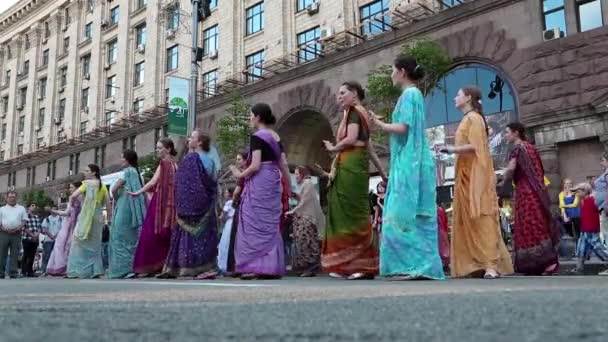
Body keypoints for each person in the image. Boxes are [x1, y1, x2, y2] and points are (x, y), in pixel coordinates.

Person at [370, 56, 444, 280]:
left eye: (393, 70)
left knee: (401, 213)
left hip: (408, 162)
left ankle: (414, 266)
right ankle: (417, 265)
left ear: (402, 72)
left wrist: (380, 124)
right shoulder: (413, 94)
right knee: (414, 213)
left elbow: (403, 128)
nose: (391, 74)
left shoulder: (410, 94)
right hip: (412, 159)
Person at [437, 86, 513, 279]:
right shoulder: (467, 119)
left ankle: (490, 265)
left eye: (458, 94)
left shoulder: (474, 118)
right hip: (465, 174)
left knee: (481, 217)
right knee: (470, 219)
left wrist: (451, 149)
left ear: (468, 97)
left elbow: (476, 148)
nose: (455, 97)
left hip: (476, 174)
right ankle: (475, 262)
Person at [321, 81, 385, 280]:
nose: (339, 97)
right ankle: (347, 265)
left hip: (351, 165)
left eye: (343, 93)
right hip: (352, 164)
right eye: (338, 93)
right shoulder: (357, 112)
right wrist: (383, 172)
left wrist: (333, 148)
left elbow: (351, 139)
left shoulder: (355, 112)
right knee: (349, 212)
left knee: (351, 213)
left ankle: (361, 265)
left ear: (354, 93)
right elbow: (369, 147)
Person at [229, 103, 291, 280]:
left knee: (252, 222)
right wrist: (291, 186)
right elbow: (283, 163)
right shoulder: (276, 136)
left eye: (250, 115)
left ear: (257, 117)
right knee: (269, 224)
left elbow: (255, 165)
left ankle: (256, 266)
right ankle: (270, 266)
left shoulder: (257, 136)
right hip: (273, 181)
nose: (250, 119)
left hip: (259, 181)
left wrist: (239, 173)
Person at [500, 122, 560, 275]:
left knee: (528, 225)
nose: (505, 135)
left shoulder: (518, 149)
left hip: (525, 191)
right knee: (538, 224)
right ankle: (542, 264)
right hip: (537, 191)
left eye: (507, 132)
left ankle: (542, 263)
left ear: (516, 133)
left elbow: (511, 168)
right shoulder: (531, 147)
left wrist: (501, 178)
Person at [160, 130, 220, 279]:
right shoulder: (209, 160)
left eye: (192, 137)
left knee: (190, 238)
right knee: (202, 238)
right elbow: (212, 181)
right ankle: (203, 268)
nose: (189, 139)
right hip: (204, 204)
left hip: (189, 205)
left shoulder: (191, 158)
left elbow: (185, 183)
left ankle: (181, 269)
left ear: (199, 142)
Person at [129, 138, 178, 276]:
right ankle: (163, 265)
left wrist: (138, 192)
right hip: (171, 204)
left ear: (168, 149)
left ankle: (149, 266)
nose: (157, 150)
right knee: (166, 234)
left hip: (160, 202)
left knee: (150, 233)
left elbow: (153, 182)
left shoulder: (164, 163)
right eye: (157, 148)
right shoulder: (175, 164)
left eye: (160, 148)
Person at [66, 164, 112, 279]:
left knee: (79, 242)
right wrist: (110, 218)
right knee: (95, 245)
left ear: (94, 173)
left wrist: (71, 205)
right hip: (98, 217)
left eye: (87, 171)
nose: (85, 173)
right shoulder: (102, 186)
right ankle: (95, 270)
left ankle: (77, 270)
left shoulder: (86, 184)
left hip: (86, 216)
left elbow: (73, 196)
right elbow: (108, 203)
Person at [108, 150, 146, 279]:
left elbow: (113, 189)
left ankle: (121, 269)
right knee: (132, 238)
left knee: (119, 236)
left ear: (127, 160)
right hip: (135, 209)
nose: (121, 161)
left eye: (122, 158)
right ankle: (133, 267)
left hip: (124, 206)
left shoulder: (127, 172)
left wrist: (116, 198)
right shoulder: (139, 174)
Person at [286, 166, 326, 277]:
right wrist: (294, 195)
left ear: (302, 174)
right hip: (305, 217)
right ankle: (305, 267)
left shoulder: (307, 183)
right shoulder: (306, 184)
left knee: (305, 242)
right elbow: (303, 198)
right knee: (304, 242)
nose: (296, 176)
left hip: (307, 218)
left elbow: (305, 201)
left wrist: (293, 211)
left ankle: (310, 267)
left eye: (297, 174)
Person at [570, 183, 608, 275]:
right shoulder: (583, 201)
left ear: (584, 191)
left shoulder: (592, 200)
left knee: (598, 248)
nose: (577, 194)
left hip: (592, 229)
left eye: (578, 191)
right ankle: (579, 268)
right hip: (585, 229)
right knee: (581, 248)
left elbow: (601, 209)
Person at [45, 182, 83, 276]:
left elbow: (66, 213)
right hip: (76, 222)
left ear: (77, 188)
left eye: (71, 187)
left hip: (69, 224)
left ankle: (62, 267)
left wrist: (52, 210)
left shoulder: (73, 198)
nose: (70, 189)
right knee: (67, 245)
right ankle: (66, 267)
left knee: (62, 245)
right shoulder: (83, 197)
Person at [224, 151, 248, 276]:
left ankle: (235, 267)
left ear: (245, 160)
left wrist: (234, 202)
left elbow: (237, 190)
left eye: (239, 159)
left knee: (237, 236)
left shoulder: (243, 174)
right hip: (249, 206)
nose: (237, 162)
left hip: (242, 206)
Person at [0, 191, 28, 279]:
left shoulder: (21, 208)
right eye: (10, 197)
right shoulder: (2, 209)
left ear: (16, 198)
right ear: (6, 198)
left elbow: (24, 221)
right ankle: (1, 272)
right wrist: (4, 229)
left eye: (14, 197)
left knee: (15, 253)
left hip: (16, 233)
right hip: (4, 233)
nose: (12, 198)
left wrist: (17, 228)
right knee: (1, 253)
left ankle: (13, 272)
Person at [217, 187, 235, 274]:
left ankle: (223, 265)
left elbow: (223, 216)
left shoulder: (228, 203)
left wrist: (219, 217)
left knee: (225, 244)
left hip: (228, 224)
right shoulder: (237, 202)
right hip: (235, 223)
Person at [22, 203, 43, 277]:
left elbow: (39, 227)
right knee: (26, 255)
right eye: (32, 206)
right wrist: (32, 235)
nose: (34, 207)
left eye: (35, 206)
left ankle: (30, 271)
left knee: (32, 255)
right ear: (28, 208)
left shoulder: (37, 217)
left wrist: (37, 234)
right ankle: (23, 271)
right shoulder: (25, 216)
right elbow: (24, 227)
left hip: (35, 239)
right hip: (27, 238)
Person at [40, 207, 63, 274]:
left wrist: (56, 235)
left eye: (55, 209)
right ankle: (44, 270)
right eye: (53, 209)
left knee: (57, 256)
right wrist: (51, 236)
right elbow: (44, 228)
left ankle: (55, 270)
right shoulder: (47, 219)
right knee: (47, 255)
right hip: (48, 240)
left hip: (58, 240)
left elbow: (62, 228)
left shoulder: (60, 218)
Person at [594, 154, 608, 244]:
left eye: (602, 160)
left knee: (605, 232)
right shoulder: (605, 173)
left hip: (605, 206)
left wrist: (606, 205)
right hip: (602, 207)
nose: (601, 163)